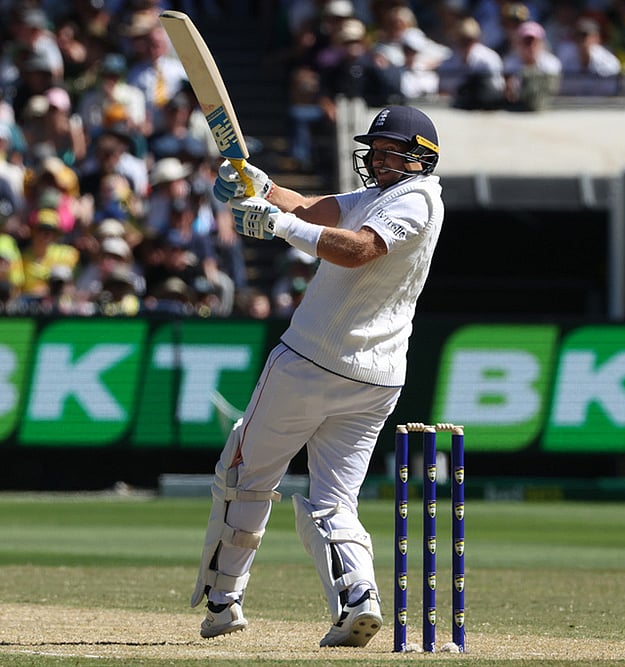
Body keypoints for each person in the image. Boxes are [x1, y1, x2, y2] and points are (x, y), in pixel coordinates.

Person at [193, 105, 445, 648]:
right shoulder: (382, 195)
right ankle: (358, 597)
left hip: (309, 360)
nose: (377, 161)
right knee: (334, 499)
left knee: (245, 472)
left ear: (421, 157)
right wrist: (260, 185)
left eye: (389, 154)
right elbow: (314, 207)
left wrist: (279, 225)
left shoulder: (417, 199)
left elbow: (357, 250)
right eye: (373, 152)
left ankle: (223, 599)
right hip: (376, 379)